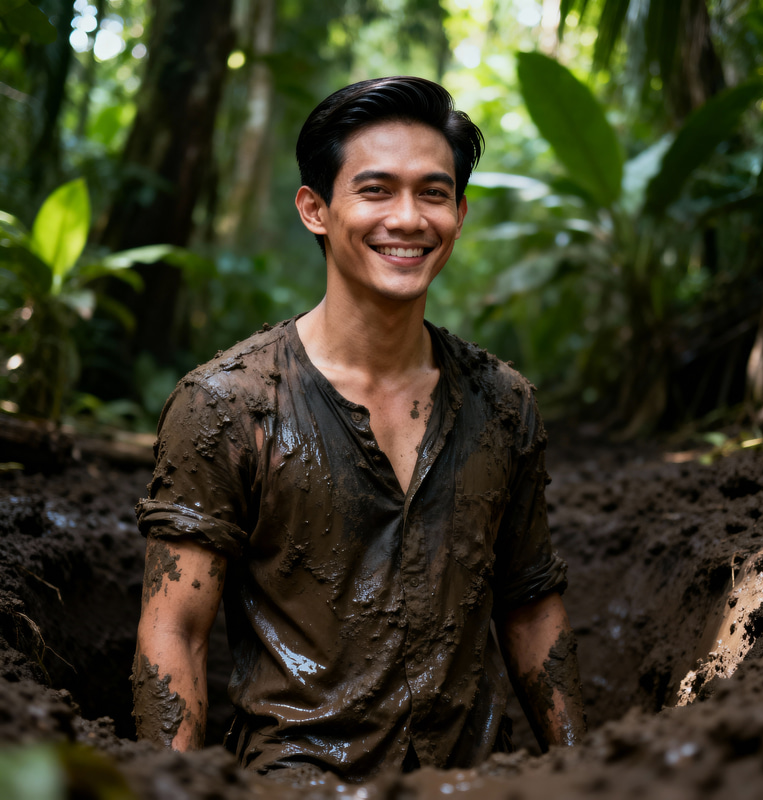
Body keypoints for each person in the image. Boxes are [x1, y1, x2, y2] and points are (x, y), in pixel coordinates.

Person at [132, 75, 586, 782]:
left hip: (468, 786)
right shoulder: (227, 403)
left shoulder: (503, 404)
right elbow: (175, 631)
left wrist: (586, 774)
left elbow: (528, 607)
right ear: (315, 209)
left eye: (433, 193)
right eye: (375, 190)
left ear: (460, 214)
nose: (408, 218)